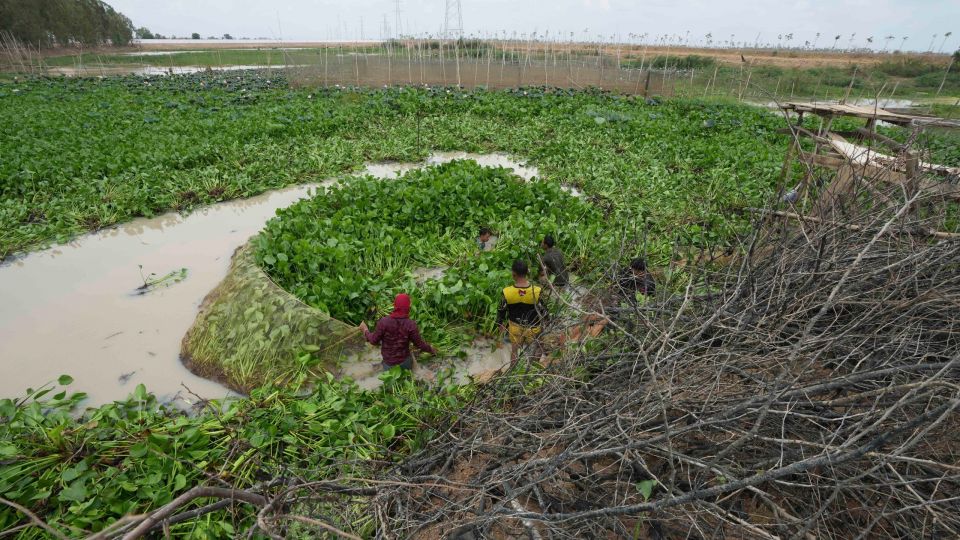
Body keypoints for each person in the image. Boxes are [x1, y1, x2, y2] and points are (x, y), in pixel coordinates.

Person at [359, 293, 437, 371]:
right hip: (405, 363)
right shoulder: (411, 324)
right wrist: (432, 350)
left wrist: (365, 330)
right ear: (408, 307)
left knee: (389, 376)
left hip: (388, 365)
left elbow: (373, 340)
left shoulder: (383, 322)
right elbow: (419, 344)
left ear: (395, 306)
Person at [497, 260, 545, 364]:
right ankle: (532, 369)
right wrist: (546, 324)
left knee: (514, 351)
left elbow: (501, 310)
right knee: (535, 349)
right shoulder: (536, 291)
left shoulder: (507, 292)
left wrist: (500, 324)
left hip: (515, 327)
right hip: (533, 327)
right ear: (527, 271)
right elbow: (544, 311)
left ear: (513, 274)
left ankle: (512, 372)